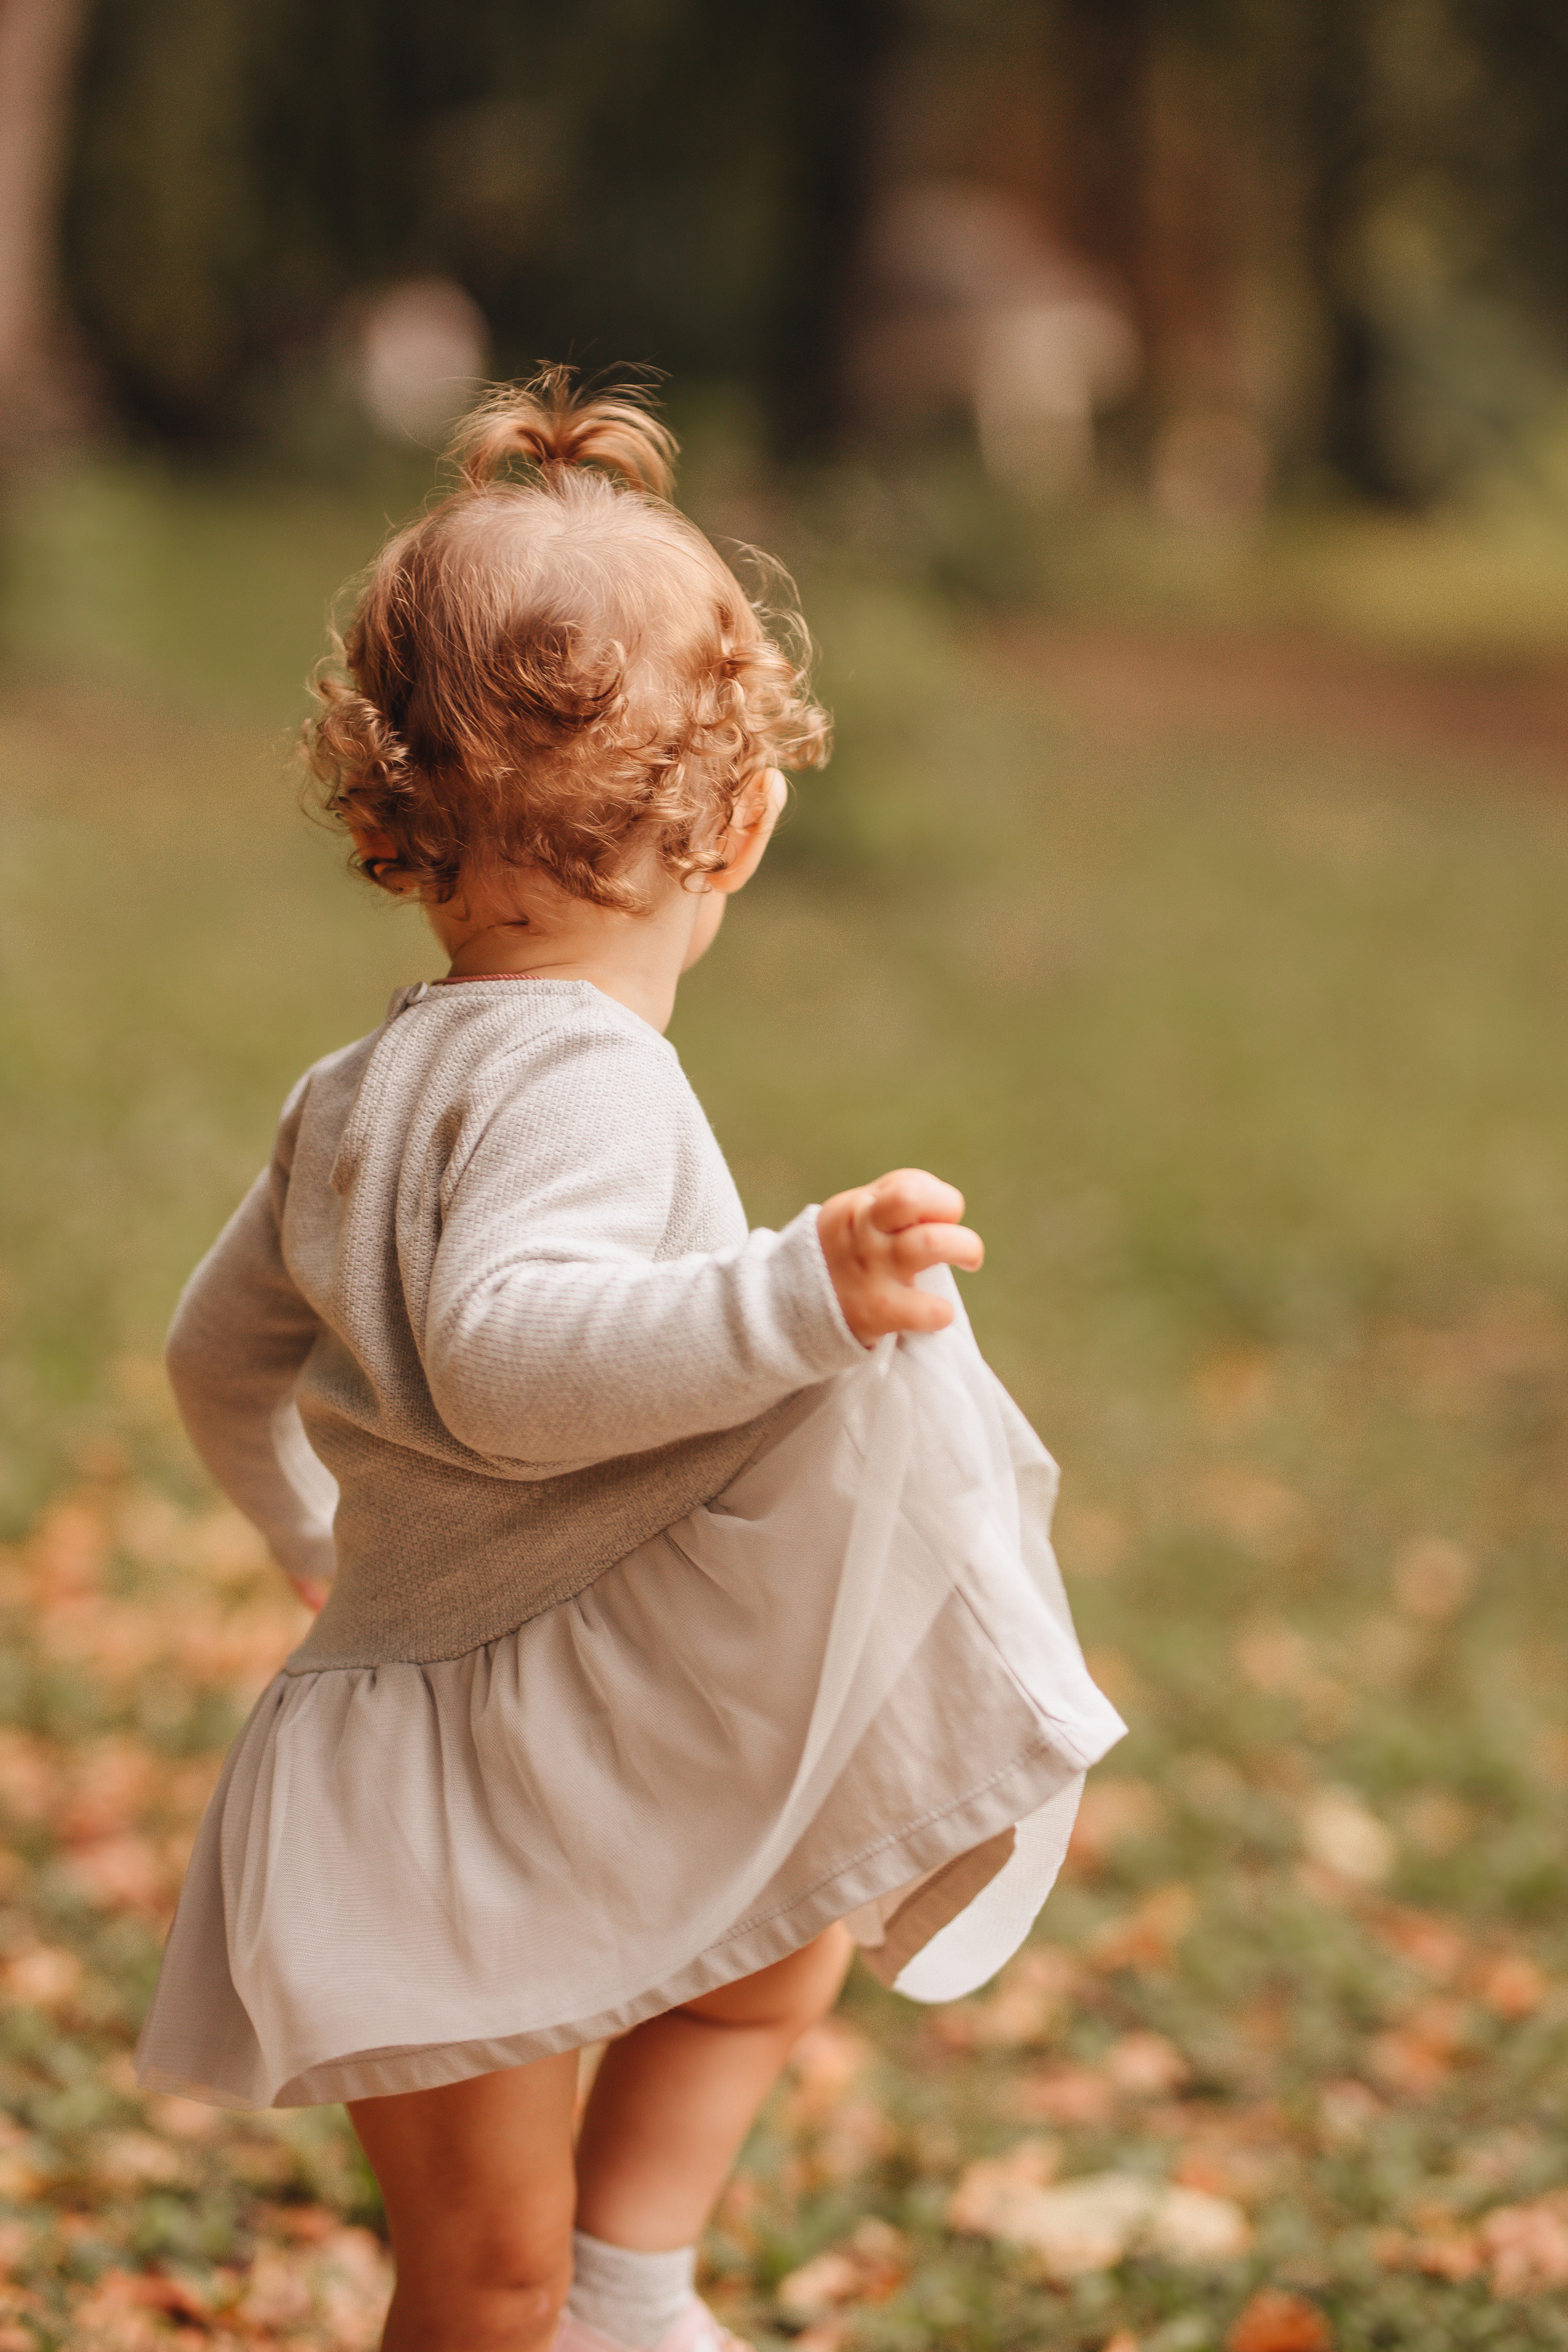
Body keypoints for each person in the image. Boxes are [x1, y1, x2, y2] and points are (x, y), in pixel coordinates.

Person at [136, 369, 1125, 2352]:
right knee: (473, 2280)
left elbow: (207, 1352)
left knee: (769, 1965)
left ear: (387, 810)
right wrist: (794, 1298)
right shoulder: (583, 1075)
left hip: (476, 1737)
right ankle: (595, 2291)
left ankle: (628, 2290)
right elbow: (512, 1357)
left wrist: (307, 1532)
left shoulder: (355, 1091)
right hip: (461, 1794)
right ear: (746, 817)